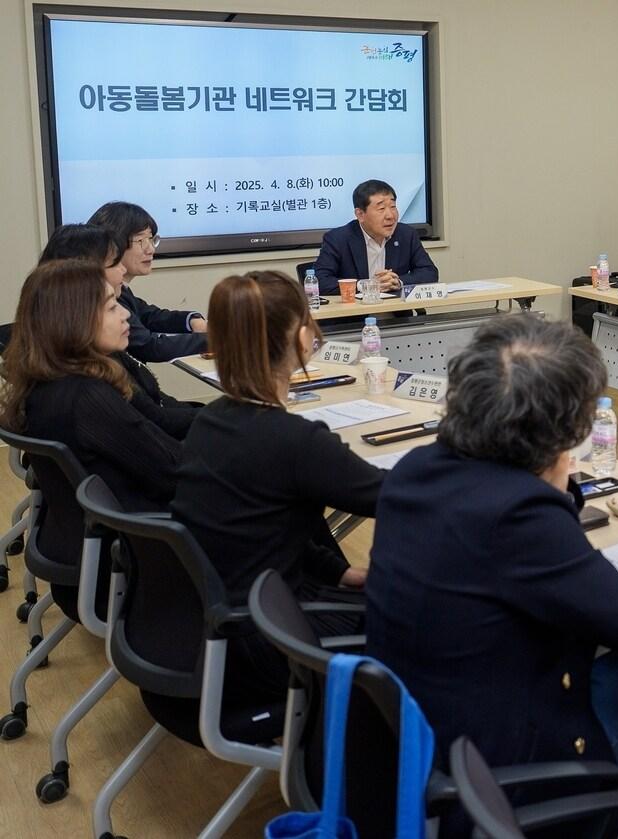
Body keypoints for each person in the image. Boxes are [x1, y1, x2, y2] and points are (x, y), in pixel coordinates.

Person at [366, 314, 618, 776]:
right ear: (568, 430)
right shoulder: (519, 516)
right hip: (503, 771)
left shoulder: (415, 468)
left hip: (421, 737)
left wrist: (553, 475)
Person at [171, 270, 381, 701]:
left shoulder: (208, 423)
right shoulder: (292, 441)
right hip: (271, 640)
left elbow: (259, 530)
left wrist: (338, 571)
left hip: (224, 623)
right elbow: (394, 496)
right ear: (302, 339)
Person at [0, 258, 192, 513]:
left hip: (100, 530)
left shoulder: (47, 380)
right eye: (112, 307)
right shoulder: (87, 396)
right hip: (149, 533)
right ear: (74, 321)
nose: (125, 315)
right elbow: (172, 474)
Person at [88, 201, 209, 362]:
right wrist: (216, 339)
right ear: (113, 245)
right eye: (141, 241)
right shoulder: (104, 294)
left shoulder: (120, 289)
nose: (151, 249)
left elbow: (150, 316)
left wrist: (192, 321)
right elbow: (150, 347)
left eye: (152, 239)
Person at [311, 179, 438, 295]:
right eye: (381, 208)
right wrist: (366, 285)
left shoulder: (406, 234)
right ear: (360, 214)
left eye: (393, 207)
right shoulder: (338, 239)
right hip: (356, 317)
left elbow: (429, 272)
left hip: (397, 316)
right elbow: (320, 281)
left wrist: (397, 281)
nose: (390, 216)